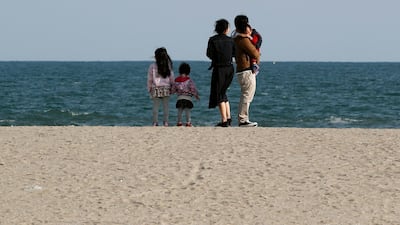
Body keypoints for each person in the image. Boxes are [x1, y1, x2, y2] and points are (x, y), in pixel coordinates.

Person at [206, 19, 235, 127]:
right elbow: (234, 54)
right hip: (230, 68)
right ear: (226, 29)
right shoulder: (231, 40)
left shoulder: (212, 40)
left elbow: (209, 54)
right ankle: (228, 118)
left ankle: (224, 120)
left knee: (219, 94)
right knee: (223, 93)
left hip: (219, 69)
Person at [233, 15, 260, 127]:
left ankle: (243, 118)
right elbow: (254, 53)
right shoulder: (243, 40)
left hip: (241, 69)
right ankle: (243, 119)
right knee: (247, 94)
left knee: (246, 94)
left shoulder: (235, 38)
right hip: (246, 70)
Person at [147, 47, 174, 126]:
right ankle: (166, 122)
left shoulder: (152, 66)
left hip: (155, 88)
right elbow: (171, 77)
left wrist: (149, 88)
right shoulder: (168, 66)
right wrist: (172, 87)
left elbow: (149, 78)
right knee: (166, 107)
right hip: (166, 88)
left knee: (155, 107)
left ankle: (155, 122)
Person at [171, 62, 200, 127]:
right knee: (187, 111)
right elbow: (193, 89)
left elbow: (173, 89)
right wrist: (196, 95)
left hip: (180, 98)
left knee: (179, 111)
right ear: (188, 71)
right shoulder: (189, 80)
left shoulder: (176, 80)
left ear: (180, 71)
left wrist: (171, 92)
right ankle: (188, 122)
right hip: (188, 98)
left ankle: (179, 122)